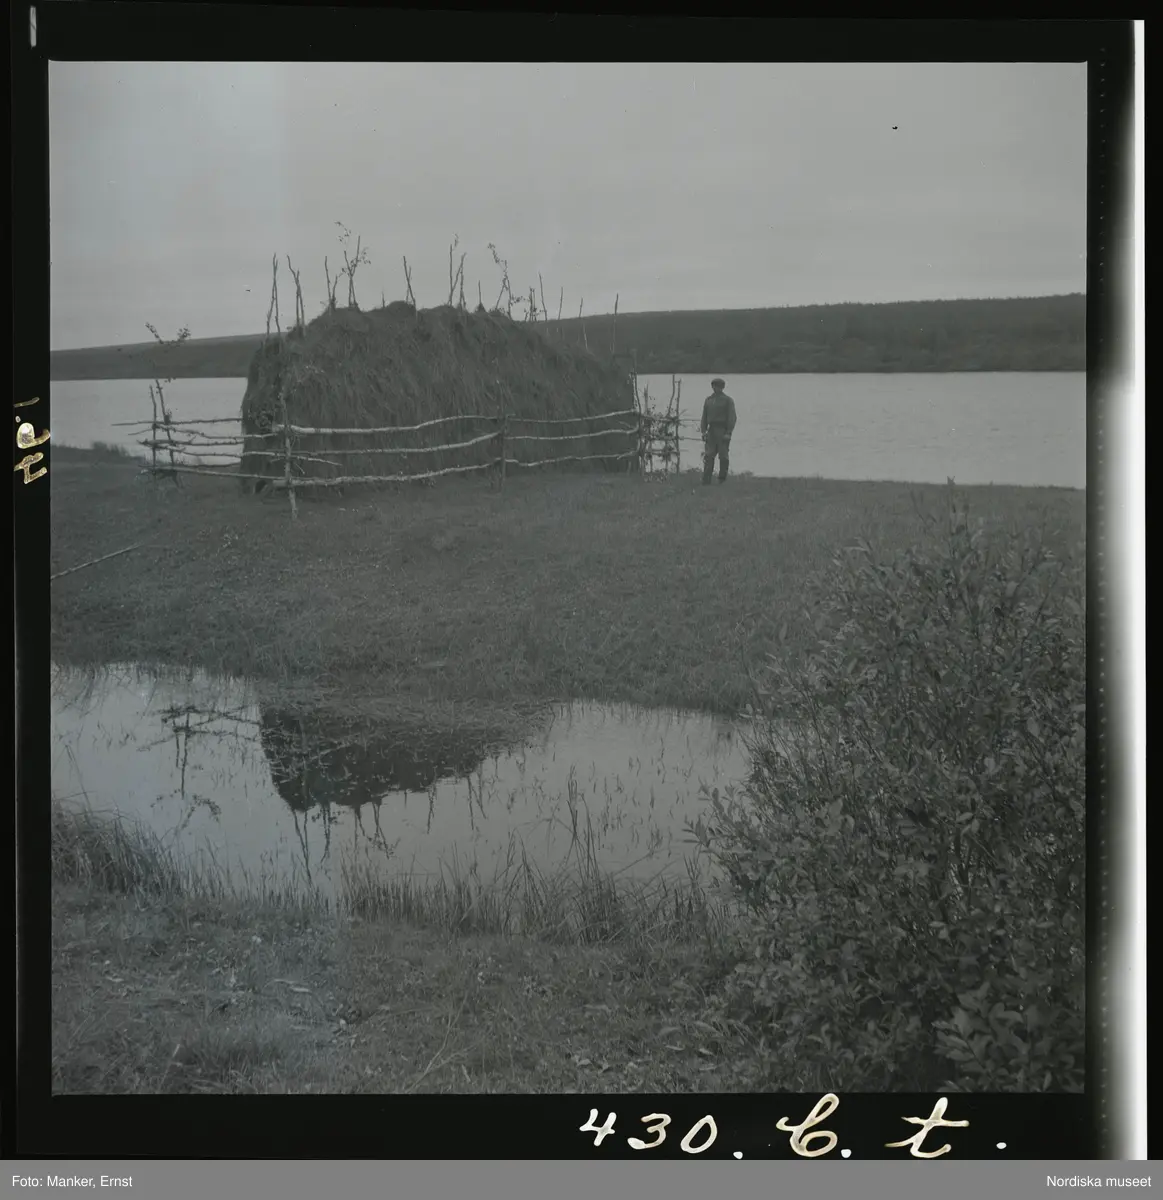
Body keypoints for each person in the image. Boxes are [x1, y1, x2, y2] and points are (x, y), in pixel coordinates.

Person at [700, 378, 737, 485]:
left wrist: (728, 432)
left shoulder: (728, 400)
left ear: (722, 387)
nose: (716, 388)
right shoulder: (709, 400)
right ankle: (706, 480)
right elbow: (704, 417)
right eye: (715, 386)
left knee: (723, 456)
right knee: (708, 455)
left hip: (722, 429)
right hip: (711, 430)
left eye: (719, 386)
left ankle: (722, 479)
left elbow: (732, 417)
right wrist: (703, 431)